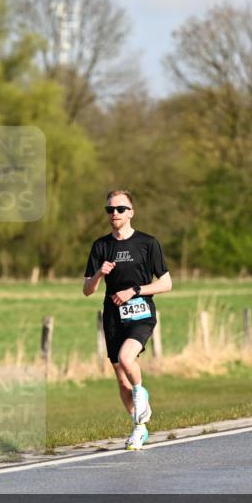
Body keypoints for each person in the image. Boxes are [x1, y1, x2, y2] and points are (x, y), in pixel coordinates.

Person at [82, 190, 172, 450]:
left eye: (120, 209)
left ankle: (141, 392)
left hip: (141, 311)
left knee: (126, 358)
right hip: (112, 315)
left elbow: (166, 283)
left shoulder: (147, 243)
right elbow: (87, 290)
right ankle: (139, 427)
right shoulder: (101, 246)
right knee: (121, 379)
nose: (115, 214)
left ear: (131, 212)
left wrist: (135, 290)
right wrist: (99, 273)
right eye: (110, 210)